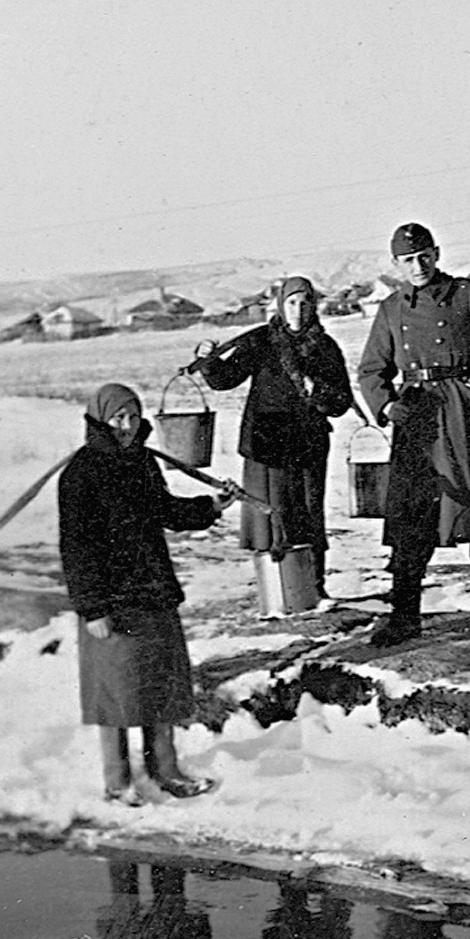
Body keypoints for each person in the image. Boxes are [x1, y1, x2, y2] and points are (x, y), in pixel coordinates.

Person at [58, 382, 241, 804]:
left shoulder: (142, 462)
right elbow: (77, 548)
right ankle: (118, 781)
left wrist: (211, 506)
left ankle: (166, 770)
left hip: (152, 589)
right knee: (116, 694)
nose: (126, 425)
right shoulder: (80, 474)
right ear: (100, 420)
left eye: (132, 416)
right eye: (117, 417)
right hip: (112, 599)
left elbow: (165, 510)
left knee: (161, 687)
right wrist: (92, 608)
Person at [358, 222, 470, 647]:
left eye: (424, 256)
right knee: (410, 514)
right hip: (416, 418)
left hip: (462, 412)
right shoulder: (391, 309)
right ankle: (404, 615)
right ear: (396, 264)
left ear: (436, 253)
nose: (418, 266)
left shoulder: (467, 294)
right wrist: (385, 405)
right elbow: (372, 369)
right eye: (408, 260)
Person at [189, 276, 354, 597]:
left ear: (314, 306)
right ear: (280, 305)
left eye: (305, 302)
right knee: (272, 516)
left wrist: (317, 391)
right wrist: (208, 360)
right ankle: (277, 591)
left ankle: (313, 589)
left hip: (308, 445)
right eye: (291, 302)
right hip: (267, 443)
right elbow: (224, 379)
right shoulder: (261, 341)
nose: (298, 310)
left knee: (309, 515)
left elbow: (341, 402)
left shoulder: (326, 347)